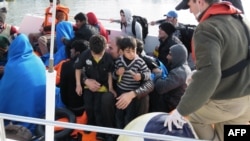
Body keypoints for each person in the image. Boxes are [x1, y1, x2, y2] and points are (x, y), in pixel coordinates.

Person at [165, 0, 250, 141]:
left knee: (190, 118)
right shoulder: (243, 20)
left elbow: (210, 73)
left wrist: (181, 111)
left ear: (199, 2)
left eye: (189, 6)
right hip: (246, 105)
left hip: (226, 104)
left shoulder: (207, 28)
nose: (190, 11)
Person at [0, 34, 46, 135]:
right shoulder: (36, 59)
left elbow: (4, 93)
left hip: (25, 112)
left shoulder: (13, 66)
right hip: (43, 106)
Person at [75, 35, 116, 141]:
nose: (97, 56)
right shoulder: (85, 54)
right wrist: (79, 84)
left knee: (98, 107)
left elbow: (110, 73)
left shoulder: (108, 58)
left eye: (100, 54)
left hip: (101, 87)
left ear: (105, 48)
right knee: (88, 106)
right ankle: (90, 123)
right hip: (88, 86)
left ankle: (100, 130)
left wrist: (110, 88)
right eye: (95, 54)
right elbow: (78, 68)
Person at [107, 36, 154, 117]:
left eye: (134, 50)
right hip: (120, 91)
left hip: (132, 92)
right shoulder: (118, 61)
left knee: (129, 115)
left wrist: (141, 76)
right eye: (128, 51)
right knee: (119, 115)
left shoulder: (139, 62)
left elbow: (149, 78)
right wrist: (117, 73)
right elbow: (113, 75)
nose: (132, 54)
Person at [153, 44, 191, 112]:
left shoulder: (179, 72)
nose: (167, 57)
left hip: (172, 107)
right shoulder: (185, 68)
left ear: (177, 57)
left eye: (170, 55)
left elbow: (160, 88)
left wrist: (158, 74)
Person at [60, 39, 89, 116]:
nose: (70, 52)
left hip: (72, 107)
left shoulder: (66, 65)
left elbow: (63, 90)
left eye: (72, 51)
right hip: (86, 107)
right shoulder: (90, 66)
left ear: (77, 53)